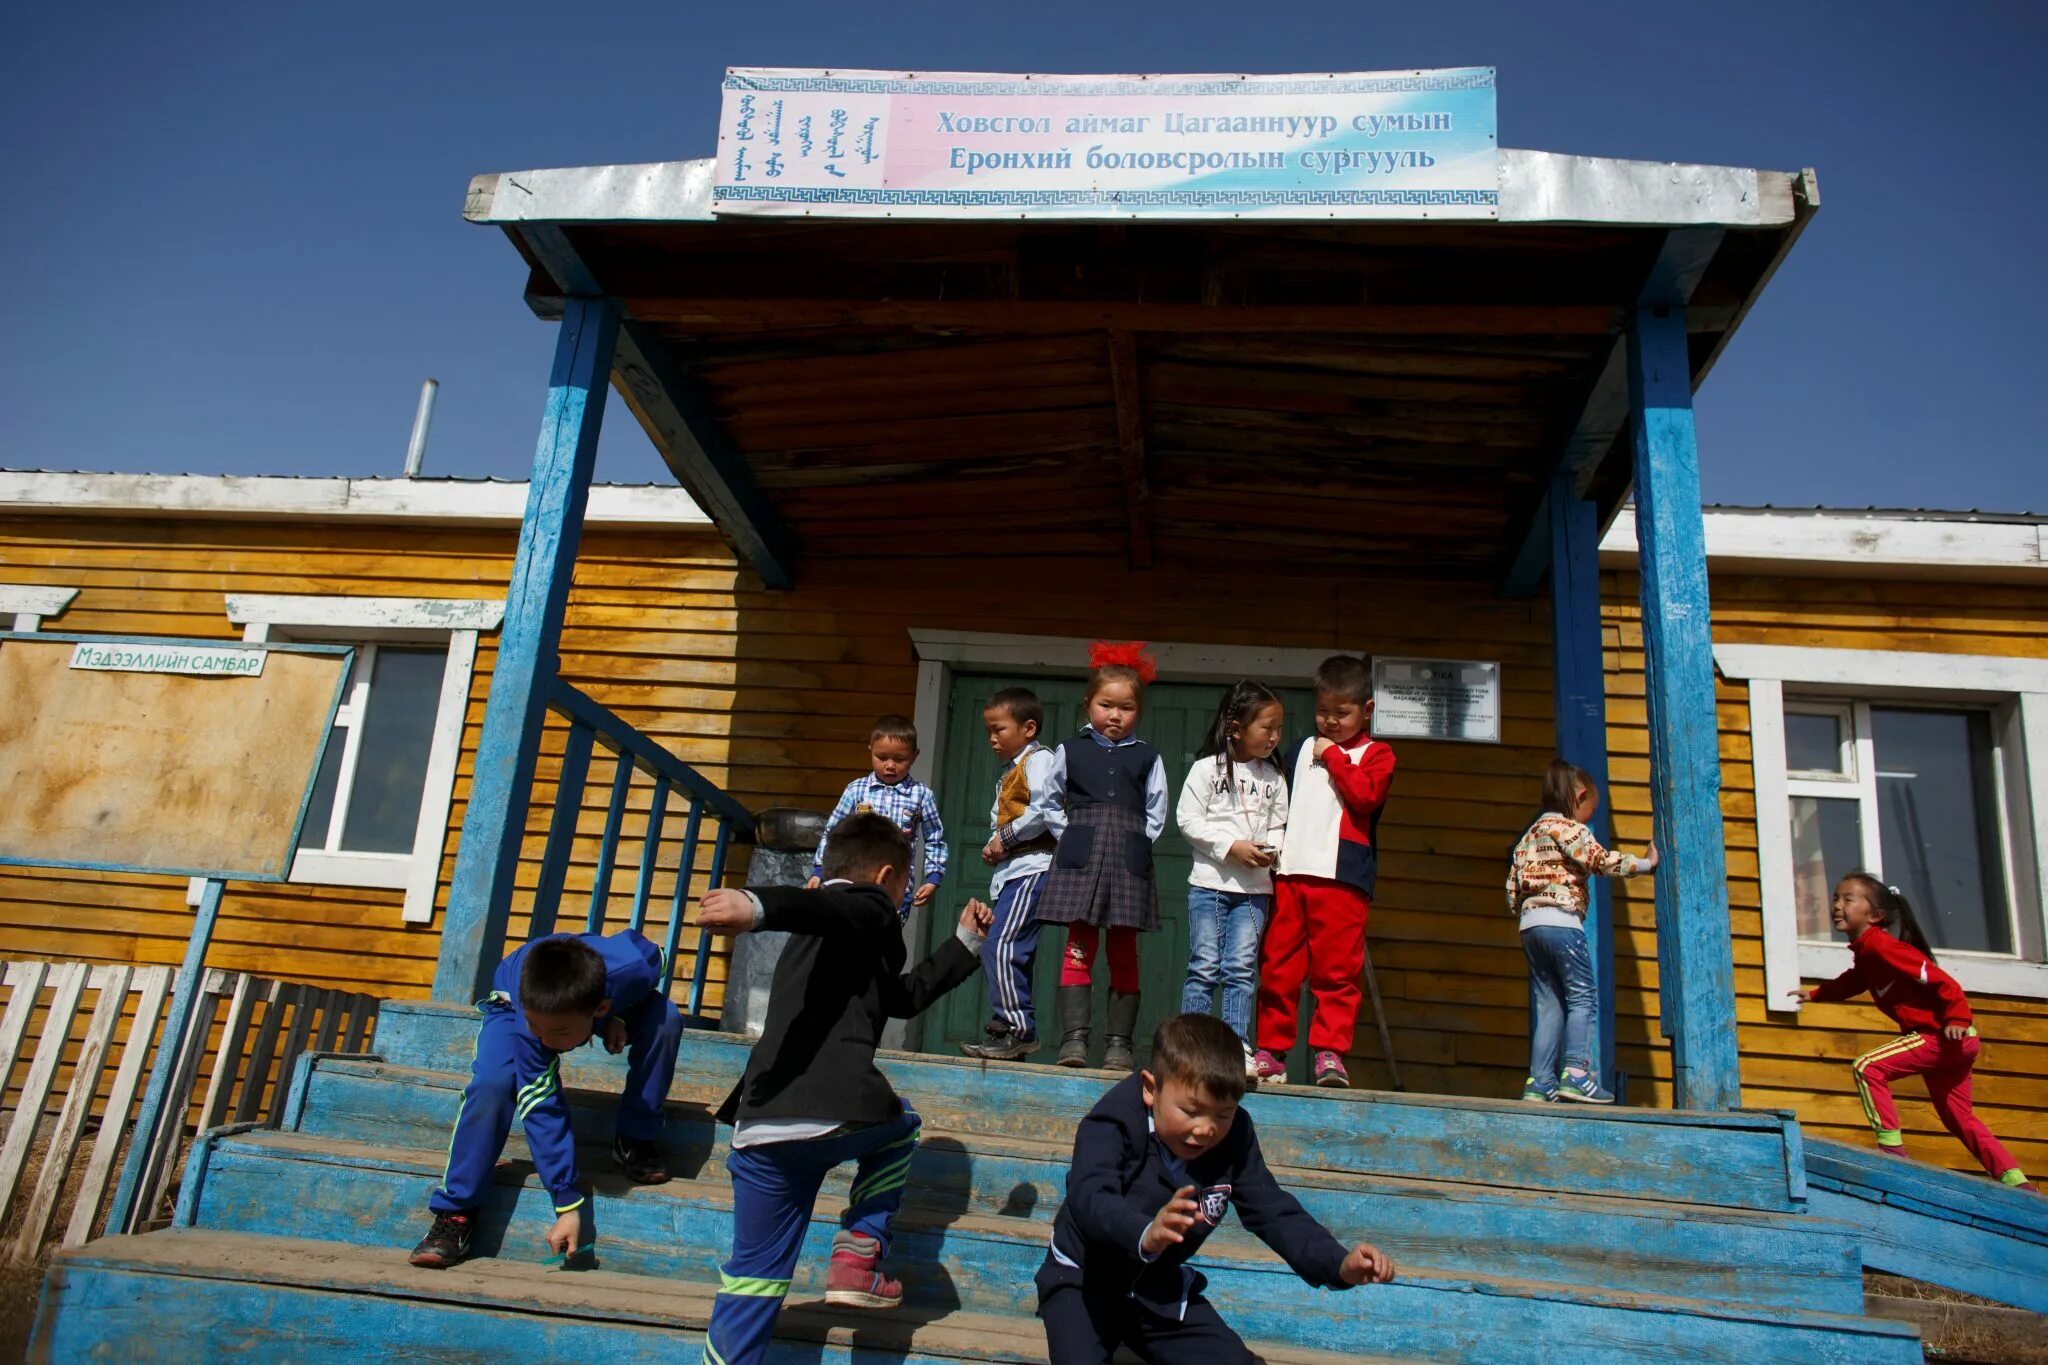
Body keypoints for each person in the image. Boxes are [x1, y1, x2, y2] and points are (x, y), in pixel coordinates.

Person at [695, 812, 994, 1365]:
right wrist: (757, 907)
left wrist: (964, 944)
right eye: (904, 887)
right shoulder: (869, 904)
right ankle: (858, 1253)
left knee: (751, 1282)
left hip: (761, 1126)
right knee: (900, 1130)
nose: (901, 901)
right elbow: (839, 905)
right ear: (885, 877)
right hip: (835, 1110)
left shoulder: (836, 931)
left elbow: (899, 999)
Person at [1035, 1013, 1397, 1362]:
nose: (1207, 1128)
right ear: (1150, 1088)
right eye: (1191, 1111)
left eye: (1222, 1114)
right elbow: (1090, 1198)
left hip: (1157, 1290)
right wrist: (1144, 1233)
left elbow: (1273, 1211)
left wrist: (1338, 1264)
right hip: (1083, 1282)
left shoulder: (1235, 1136)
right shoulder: (1111, 1122)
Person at [408, 929, 680, 1269]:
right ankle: (456, 1212)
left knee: (665, 1019)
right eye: (540, 1032)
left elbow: (660, 957)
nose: (547, 1042)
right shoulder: (528, 1025)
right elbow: (541, 1105)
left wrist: (621, 1014)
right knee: (492, 1085)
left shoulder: (635, 965)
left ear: (601, 1006)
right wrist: (566, 1201)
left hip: (588, 997)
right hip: (515, 1003)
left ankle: (634, 1139)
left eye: (559, 1034)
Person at [1790, 873, 2035, 1192]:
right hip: (1956, 1042)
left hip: (1943, 1036)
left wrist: (1957, 1019)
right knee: (1959, 1118)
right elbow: (1854, 980)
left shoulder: (1882, 946)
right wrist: (1816, 994)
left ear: (1875, 915)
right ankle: (2016, 1181)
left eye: (1848, 900)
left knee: (1867, 1067)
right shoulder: (1868, 953)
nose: (1837, 905)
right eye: (1836, 898)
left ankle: (1891, 1148)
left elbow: (1944, 982)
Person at [1254, 655, 1396, 1088]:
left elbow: (1365, 796)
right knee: (1279, 965)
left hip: (1343, 878)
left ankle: (1329, 1054)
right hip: (1292, 872)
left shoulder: (1378, 754)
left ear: (1366, 710)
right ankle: (1271, 1052)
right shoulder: (1299, 749)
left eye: (1342, 713)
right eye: (1323, 712)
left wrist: (1334, 756)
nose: (1331, 722)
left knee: (1336, 972)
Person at [1038, 641, 1170, 1072]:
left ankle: (1119, 1046)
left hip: (1128, 859)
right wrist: (1069, 836)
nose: (1115, 715)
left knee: (1124, 949)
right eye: (1106, 705)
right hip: (1082, 854)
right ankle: (1074, 1041)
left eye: (1126, 707)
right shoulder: (1070, 750)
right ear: (1088, 704)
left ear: (1138, 711)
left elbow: (1156, 810)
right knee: (1078, 944)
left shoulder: (1148, 756)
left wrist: (1137, 842)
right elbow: (1049, 799)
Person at [1506, 759, 1657, 1104]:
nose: (1591, 816)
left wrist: (1527, 912)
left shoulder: (1528, 835)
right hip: (1562, 922)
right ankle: (1575, 1072)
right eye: (1591, 808)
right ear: (1581, 796)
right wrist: (1645, 864)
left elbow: (1512, 886)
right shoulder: (1570, 829)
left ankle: (1539, 1082)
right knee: (1582, 997)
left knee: (1548, 1005)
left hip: (1530, 926)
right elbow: (1600, 861)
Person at [1176, 680, 1289, 1080]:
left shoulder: (1275, 777)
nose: (1274, 737)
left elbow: (1279, 824)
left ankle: (1236, 1044)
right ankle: (1188, 1046)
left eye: (1279, 728)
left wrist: (1270, 849)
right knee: (1204, 966)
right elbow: (1188, 820)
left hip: (1255, 892)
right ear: (1236, 728)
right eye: (1267, 728)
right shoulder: (1206, 769)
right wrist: (1231, 847)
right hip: (1209, 886)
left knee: (1240, 969)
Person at [963, 686, 1061, 1061]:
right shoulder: (1010, 771)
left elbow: (1043, 811)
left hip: (1033, 870)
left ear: (1029, 728)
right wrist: (996, 846)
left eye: (999, 729)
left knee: (1001, 945)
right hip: (1014, 870)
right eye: (988, 730)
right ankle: (1009, 1029)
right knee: (1012, 948)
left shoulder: (1038, 761)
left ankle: (1017, 1028)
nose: (992, 738)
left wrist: (1004, 837)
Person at [808, 714, 947, 921]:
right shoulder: (856, 791)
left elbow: (935, 839)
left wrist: (933, 877)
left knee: (885, 943)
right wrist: (819, 870)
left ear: (915, 756)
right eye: (882, 758)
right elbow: (833, 831)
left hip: (896, 888)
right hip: (852, 882)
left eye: (899, 759)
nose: (890, 765)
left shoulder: (922, 795)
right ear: (870, 751)